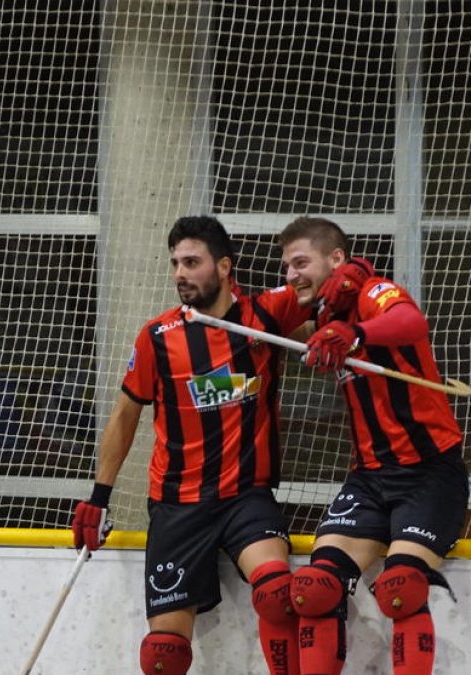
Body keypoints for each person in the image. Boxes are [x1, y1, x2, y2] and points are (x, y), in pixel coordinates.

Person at [71, 215, 313, 675]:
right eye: (176, 263)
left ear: (224, 267)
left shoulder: (263, 315)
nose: (180, 273)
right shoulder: (158, 337)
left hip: (246, 497)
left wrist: (347, 299)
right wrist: (98, 497)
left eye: (192, 262)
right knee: (162, 656)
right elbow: (124, 417)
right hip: (177, 505)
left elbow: (322, 283)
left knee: (279, 596)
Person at [278, 217, 469, 675]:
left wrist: (357, 334)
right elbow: (276, 323)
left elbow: (410, 320)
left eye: (301, 262)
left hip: (427, 473)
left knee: (400, 586)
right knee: (315, 589)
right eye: (285, 266)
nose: (290, 275)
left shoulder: (373, 293)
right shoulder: (322, 317)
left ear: (336, 258)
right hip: (368, 477)